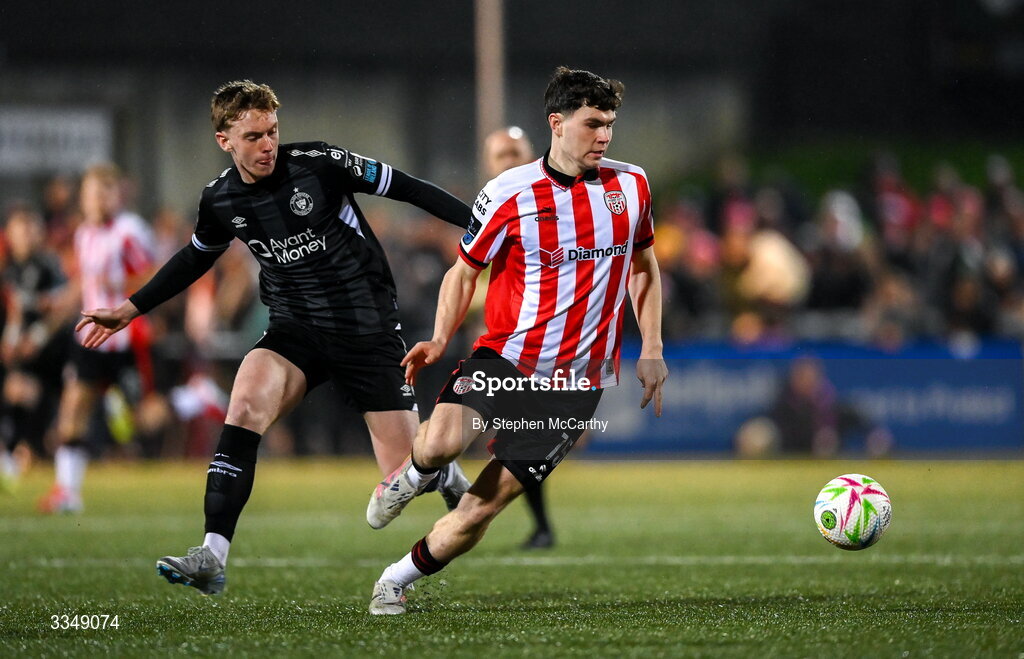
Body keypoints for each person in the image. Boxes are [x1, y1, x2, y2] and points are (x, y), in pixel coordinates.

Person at [75, 80, 473, 595]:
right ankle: (212, 555)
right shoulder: (220, 199)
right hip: (294, 327)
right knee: (244, 403)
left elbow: (410, 188)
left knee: (402, 473)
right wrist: (130, 309)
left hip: (366, 329)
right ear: (225, 140)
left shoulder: (321, 164)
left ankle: (442, 471)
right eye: (254, 136)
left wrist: (483, 225)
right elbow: (195, 257)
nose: (267, 144)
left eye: (272, 132)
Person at [365, 66, 668, 614]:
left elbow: (644, 267)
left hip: (576, 386)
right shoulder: (509, 192)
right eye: (593, 124)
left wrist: (651, 348)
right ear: (557, 123)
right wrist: (438, 337)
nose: (605, 136)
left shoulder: (633, 185)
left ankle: (395, 579)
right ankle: (413, 474)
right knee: (438, 444)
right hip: (508, 357)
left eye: (610, 126)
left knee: (484, 506)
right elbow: (463, 272)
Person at [37, 164, 157, 513]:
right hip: (90, 339)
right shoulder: (84, 233)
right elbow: (83, 283)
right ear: (84, 198)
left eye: (106, 192)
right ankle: (68, 493)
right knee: (73, 407)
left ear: (116, 195)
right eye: (93, 193)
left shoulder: (129, 232)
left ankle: (192, 398)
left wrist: (120, 287)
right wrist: (58, 305)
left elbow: (155, 276)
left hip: (125, 338)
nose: (99, 200)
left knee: (146, 417)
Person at [481, 126, 557, 550]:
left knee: (520, 437)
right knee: (445, 435)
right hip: (487, 342)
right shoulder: (488, 206)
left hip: (533, 346)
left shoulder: (554, 205)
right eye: (501, 155)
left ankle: (536, 525)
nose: (509, 161)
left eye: (516, 153)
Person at [0, 203, 72, 492]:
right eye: (21, 229)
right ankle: (18, 451)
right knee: (17, 389)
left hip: (52, 350)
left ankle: (26, 449)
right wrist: (11, 338)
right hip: (25, 348)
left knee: (27, 390)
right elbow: (17, 308)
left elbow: (64, 305)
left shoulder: (47, 264)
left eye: (31, 229)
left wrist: (38, 337)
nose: (26, 235)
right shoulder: (10, 268)